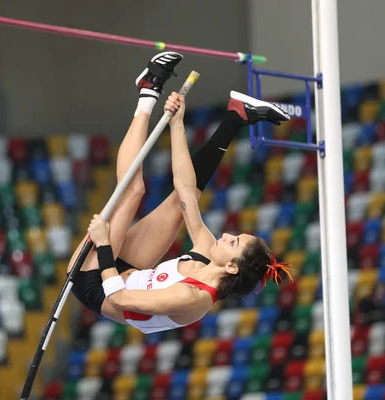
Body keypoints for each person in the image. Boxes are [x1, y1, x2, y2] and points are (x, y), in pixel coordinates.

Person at [68, 51, 293, 334]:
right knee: (180, 204)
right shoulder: (204, 252)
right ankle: (235, 117)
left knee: (133, 190)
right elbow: (186, 190)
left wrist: (103, 244)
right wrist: (177, 123)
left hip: (96, 284)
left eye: (233, 242)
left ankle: (148, 91)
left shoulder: (192, 299)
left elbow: (121, 299)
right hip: (128, 269)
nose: (225, 235)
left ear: (233, 268)